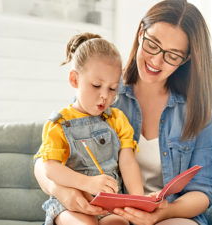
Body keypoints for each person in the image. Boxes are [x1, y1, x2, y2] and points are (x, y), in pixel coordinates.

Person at [34, 0, 212, 224]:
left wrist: (161, 212)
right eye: (153, 44)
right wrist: (62, 191)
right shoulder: (107, 90)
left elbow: (203, 190)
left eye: (173, 55)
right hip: (110, 209)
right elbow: (44, 163)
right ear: (141, 32)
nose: (156, 61)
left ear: (186, 59)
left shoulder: (196, 110)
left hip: (169, 212)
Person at [33, 32, 144, 225]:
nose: (104, 96)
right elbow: (50, 168)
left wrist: (138, 200)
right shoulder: (58, 124)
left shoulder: (117, 119)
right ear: (75, 80)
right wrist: (88, 183)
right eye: (96, 85)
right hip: (70, 204)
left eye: (112, 89)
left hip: (109, 206)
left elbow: (127, 162)